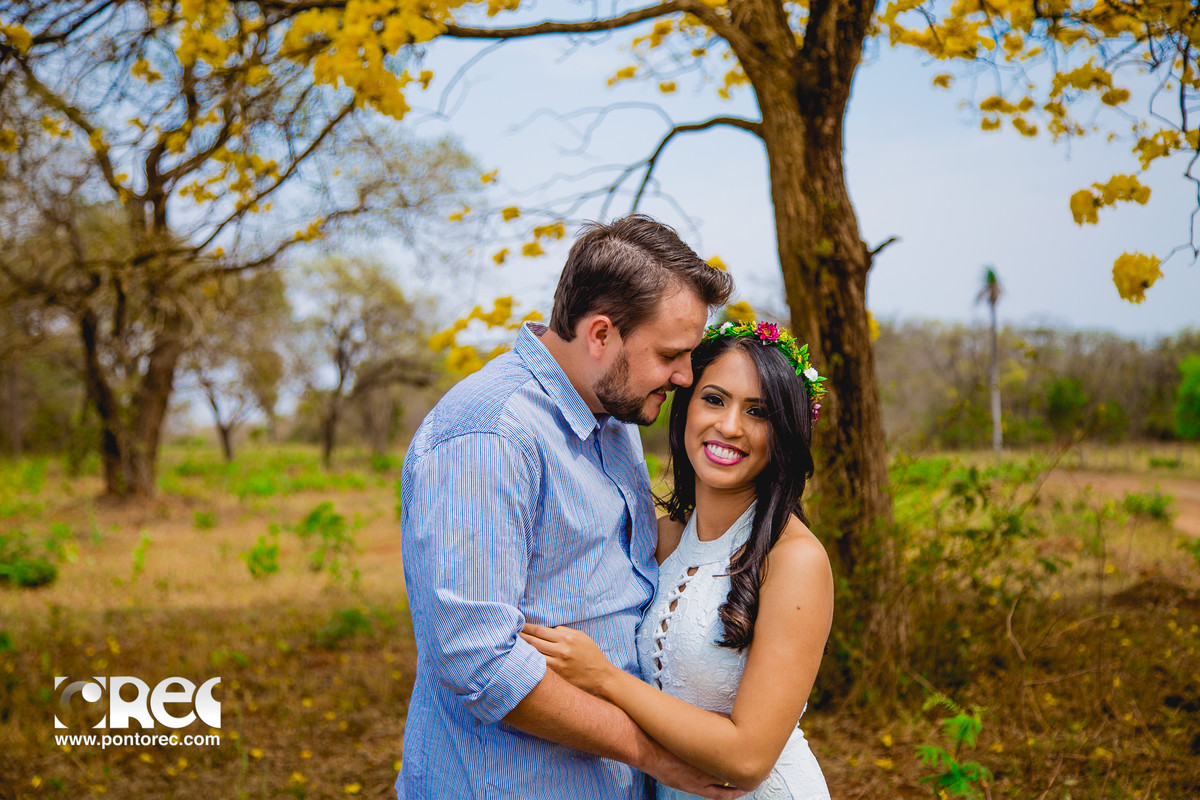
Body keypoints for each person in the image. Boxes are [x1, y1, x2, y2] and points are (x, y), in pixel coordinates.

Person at [396, 214, 739, 800]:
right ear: (601, 334)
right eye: (669, 355)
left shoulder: (614, 414)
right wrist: (653, 755)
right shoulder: (491, 434)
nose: (684, 376)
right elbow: (477, 662)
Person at [521, 320, 835, 799]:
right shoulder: (662, 535)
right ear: (685, 408)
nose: (729, 426)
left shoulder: (794, 560)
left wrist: (604, 678)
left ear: (784, 433)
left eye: (758, 411)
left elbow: (748, 759)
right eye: (714, 399)